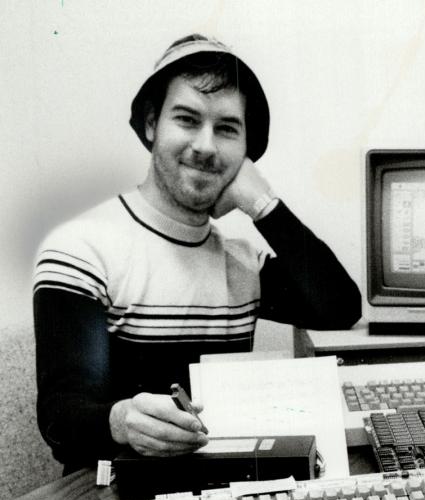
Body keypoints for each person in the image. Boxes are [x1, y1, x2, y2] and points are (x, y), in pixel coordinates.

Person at [34, 34, 361, 470]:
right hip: (112, 497)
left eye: (226, 129)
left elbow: (340, 307)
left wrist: (264, 204)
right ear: (152, 125)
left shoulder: (242, 262)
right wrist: (121, 420)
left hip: (223, 492)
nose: (206, 146)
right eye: (187, 119)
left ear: (246, 152)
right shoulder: (83, 248)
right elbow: (61, 414)